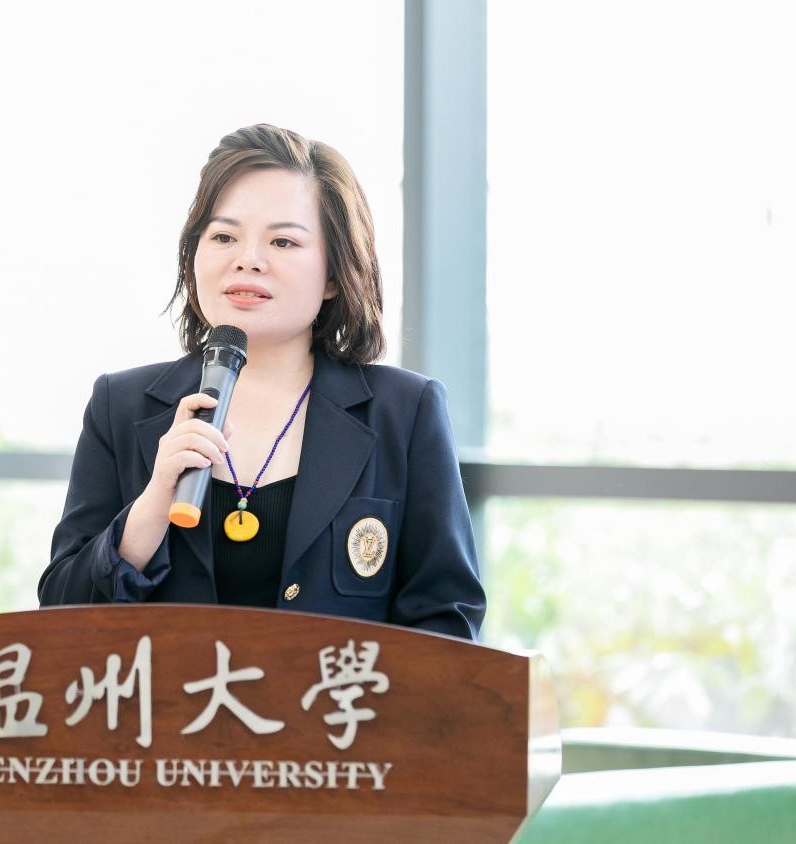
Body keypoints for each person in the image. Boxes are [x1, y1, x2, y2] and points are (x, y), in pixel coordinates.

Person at [38, 124, 485, 640]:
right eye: (223, 236)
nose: (247, 259)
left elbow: (448, 622)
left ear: (334, 274)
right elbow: (60, 621)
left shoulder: (405, 413)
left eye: (283, 241)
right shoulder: (119, 407)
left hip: (341, 696)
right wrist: (150, 508)